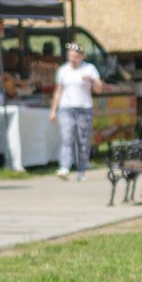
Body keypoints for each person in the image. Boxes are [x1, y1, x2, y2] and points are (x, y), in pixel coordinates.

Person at [51, 41, 100, 180]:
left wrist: (92, 80)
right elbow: (58, 90)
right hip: (66, 108)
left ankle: (82, 169)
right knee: (67, 137)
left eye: (76, 56)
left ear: (82, 56)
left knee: (83, 141)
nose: (73, 58)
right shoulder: (63, 70)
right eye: (71, 55)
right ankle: (65, 167)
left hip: (84, 109)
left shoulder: (89, 69)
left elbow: (99, 88)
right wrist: (54, 110)